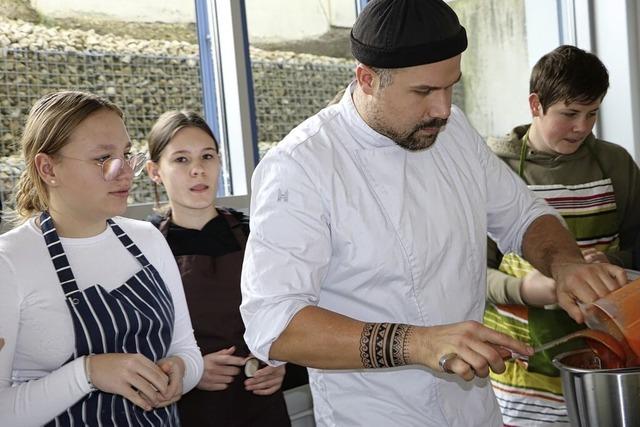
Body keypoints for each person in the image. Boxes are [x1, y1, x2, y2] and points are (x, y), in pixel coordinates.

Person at [239, 1, 628, 426]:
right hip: (376, 415)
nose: (442, 109)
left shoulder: (453, 131)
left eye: (451, 87)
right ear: (367, 80)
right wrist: (418, 343)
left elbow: (522, 215)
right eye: (423, 92)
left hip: (475, 409)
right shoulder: (301, 166)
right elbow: (274, 323)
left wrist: (565, 263)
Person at [0, 91, 204, 426]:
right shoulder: (9, 263)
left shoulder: (148, 240)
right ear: (48, 167)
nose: (124, 172)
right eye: (103, 159)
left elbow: (186, 349)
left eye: (126, 155)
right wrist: (87, 373)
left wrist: (180, 370)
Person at [483, 45, 640, 425]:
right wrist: (525, 290)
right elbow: (470, 274)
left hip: (605, 369)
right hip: (521, 375)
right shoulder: (493, 169)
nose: (582, 127)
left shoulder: (615, 164)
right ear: (536, 104)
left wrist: (611, 262)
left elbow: (638, 247)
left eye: (592, 114)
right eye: (569, 114)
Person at [145, 111, 293, 426]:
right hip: (190, 410)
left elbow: (292, 309)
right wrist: (190, 370)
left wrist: (281, 363)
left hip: (261, 407)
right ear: (155, 171)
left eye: (207, 156)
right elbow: (133, 342)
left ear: (219, 162)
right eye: (181, 160)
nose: (198, 170)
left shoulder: (255, 233)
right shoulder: (143, 247)